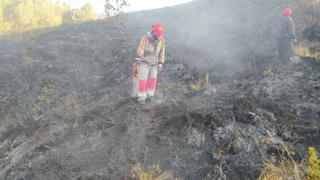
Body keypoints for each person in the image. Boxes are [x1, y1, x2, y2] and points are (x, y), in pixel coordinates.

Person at [131, 24, 166, 104]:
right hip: (144, 62)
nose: (158, 36)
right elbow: (141, 48)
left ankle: (150, 96)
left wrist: (161, 63)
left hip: (155, 63)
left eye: (159, 34)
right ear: (153, 32)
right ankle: (141, 98)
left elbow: (162, 52)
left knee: (153, 79)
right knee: (143, 80)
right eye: (157, 34)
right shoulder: (145, 39)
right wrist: (139, 53)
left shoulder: (162, 40)